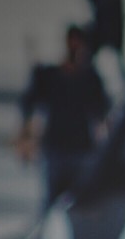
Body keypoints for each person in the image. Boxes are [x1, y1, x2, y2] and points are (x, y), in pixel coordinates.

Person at [16, 25, 111, 206]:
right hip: (56, 147)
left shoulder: (90, 78)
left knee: (79, 201)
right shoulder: (50, 75)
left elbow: (103, 112)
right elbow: (29, 104)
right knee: (53, 201)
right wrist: (26, 138)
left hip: (81, 148)